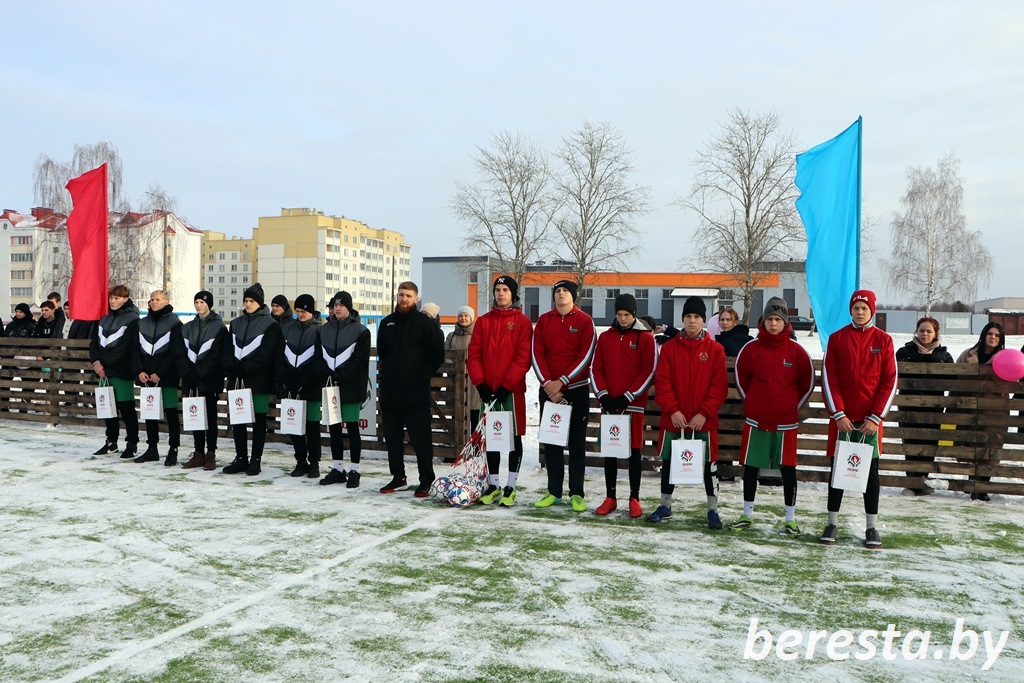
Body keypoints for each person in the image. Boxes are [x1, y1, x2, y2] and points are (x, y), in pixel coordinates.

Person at [728, 298, 814, 534]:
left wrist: (791, 408)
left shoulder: (797, 352)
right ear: (762, 321)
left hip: (786, 423)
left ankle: (790, 518)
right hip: (756, 421)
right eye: (769, 319)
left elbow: (807, 384)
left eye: (778, 319)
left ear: (785, 322)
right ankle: (746, 515)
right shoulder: (751, 349)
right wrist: (754, 405)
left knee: (787, 469)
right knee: (751, 468)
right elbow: (741, 379)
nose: (773, 324)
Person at [820, 290, 897, 549]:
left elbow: (889, 380)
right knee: (838, 472)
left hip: (869, 423)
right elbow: (830, 377)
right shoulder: (837, 339)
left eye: (865, 308)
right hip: (843, 421)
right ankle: (832, 522)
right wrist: (838, 413)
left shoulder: (884, 340)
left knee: (870, 475)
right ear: (850, 311)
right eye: (856, 308)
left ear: (872, 310)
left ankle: (871, 526)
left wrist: (875, 417)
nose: (860, 312)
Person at [649, 296, 729, 528]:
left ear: (703, 320)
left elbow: (719, 386)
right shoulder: (670, 348)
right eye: (688, 316)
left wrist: (704, 413)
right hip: (674, 419)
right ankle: (665, 505)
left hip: (703, 421)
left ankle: (712, 510)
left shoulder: (715, 350)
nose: (692, 321)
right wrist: (672, 410)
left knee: (708, 465)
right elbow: (662, 382)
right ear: (682, 319)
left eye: (696, 317)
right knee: (670, 461)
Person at [467, 276, 533, 507]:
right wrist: (481, 384)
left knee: (514, 438)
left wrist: (507, 385)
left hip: (511, 392)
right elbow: (473, 355)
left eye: (505, 290)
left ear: (512, 295)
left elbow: (523, 357)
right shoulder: (483, 321)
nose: (500, 293)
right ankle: (493, 484)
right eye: (497, 289)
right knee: (492, 438)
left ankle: (511, 486)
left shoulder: (522, 322)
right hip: (488, 391)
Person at [532, 280, 596, 512]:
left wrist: (564, 381)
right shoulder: (544, 321)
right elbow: (536, 352)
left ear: (574, 296)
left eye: (565, 291)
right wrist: (549, 384)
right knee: (551, 442)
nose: (560, 294)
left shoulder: (584, 321)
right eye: (557, 291)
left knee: (576, 443)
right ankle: (553, 492)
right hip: (549, 391)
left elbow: (586, 354)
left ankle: (576, 493)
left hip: (576, 389)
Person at [377, 281, 445, 497]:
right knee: (393, 439)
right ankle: (398, 477)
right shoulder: (387, 323)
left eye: (408, 295)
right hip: (390, 393)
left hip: (415, 393)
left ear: (416, 299)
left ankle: (426, 478)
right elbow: (382, 352)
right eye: (400, 295)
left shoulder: (425, 324)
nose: (403, 299)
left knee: (420, 439)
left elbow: (437, 355)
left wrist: (421, 374)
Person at [591, 293, 656, 518]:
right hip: (610, 405)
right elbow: (596, 368)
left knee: (634, 452)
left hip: (633, 405)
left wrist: (629, 396)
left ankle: (634, 498)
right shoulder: (606, 337)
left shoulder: (645, 338)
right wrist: (604, 395)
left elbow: (648, 370)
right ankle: (610, 497)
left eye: (626, 314)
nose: (622, 318)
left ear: (634, 314)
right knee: (610, 451)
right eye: (619, 314)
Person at [224, 283, 284, 476]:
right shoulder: (236, 323)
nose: (248, 304)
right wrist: (233, 368)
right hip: (238, 380)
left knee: (259, 420)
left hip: (258, 380)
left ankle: (255, 459)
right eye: (246, 301)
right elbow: (228, 350)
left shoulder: (271, 325)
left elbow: (266, 354)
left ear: (259, 302)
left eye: (251, 301)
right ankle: (240, 457)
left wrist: (245, 368)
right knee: (238, 420)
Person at [895, 317, 954, 496]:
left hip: (934, 409)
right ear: (916, 331)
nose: (925, 334)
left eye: (929, 331)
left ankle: (922, 481)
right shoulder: (904, 352)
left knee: (929, 445)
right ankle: (911, 482)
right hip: (908, 408)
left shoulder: (944, 356)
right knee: (910, 443)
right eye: (922, 330)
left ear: (936, 333)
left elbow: (953, 381)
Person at [318, 291, 371, 489]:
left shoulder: (361, 331)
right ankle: (338, 469)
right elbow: (317, 356)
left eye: (342, 305)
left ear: (349, 307)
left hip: (350, 387)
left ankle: (355, 470)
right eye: (335, 305)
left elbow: (360, 360)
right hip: (331, 387)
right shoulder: (323, 330)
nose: (338, 308)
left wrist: (341, 374)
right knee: (333, 429)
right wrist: (325, 372)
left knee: (352, 428)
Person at [131, 290, 185, 466]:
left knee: (171, 413)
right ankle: (152, 449)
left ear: (167, 301)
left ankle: (173, 449)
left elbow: (175, 352)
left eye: (158, 299)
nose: (154, 302)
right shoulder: (141, 323)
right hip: (146, 378)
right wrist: (139, 371)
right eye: (152, 299)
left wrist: (160, 374)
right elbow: (135, 350)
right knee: (150, 414)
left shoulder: (175, 323)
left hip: (166, 377)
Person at [89, 286, 141, 458]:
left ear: (125, 299)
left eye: (117, 298)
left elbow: (125, 347)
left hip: (121, 371)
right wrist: (96, 362)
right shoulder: (104, 318)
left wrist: (106, 366)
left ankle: (131, 443)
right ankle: (111, 442)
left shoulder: (133, 319)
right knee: (107, 408)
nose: (113, 301)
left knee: (126, 409)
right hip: (103, 371)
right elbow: (94, 342)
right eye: (111, 298)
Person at [956, 321, 1005, 501]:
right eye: (990, 333)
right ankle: (971, 484)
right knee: (970, 447)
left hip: (995, 412)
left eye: (997, 335)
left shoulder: (1005, 357)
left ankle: (983, 486)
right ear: (984, 335)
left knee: (990, 450)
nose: (993, 337)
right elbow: (956, 380)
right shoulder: (967, 355)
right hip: (969, 408)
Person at [180, 291, 230, 471]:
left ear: (209, 304)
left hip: (209, 380)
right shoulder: (188, 327)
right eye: (196, 302)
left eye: (202, 302)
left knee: (210, 418)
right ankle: (198, 453)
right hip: (191, 380)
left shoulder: (219, 327)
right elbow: (180, 353)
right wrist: (187, 373)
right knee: (195, 418)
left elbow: (217, 355)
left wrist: (198, 373)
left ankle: (211, 454)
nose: (198, 305)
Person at [277, 294, 324, 479]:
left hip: (310, 386)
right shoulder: (287, 329)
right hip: (290, 385)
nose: (300, 314)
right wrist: (286, 379)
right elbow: (279, 356)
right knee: (294, 425)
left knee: (312, 426)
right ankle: (300, 461)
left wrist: (305, 379)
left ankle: (314, 462)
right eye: (297, 311)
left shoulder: (320, 330)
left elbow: (319, 358)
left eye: (303, 311)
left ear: (311, 311)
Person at [445, 305, 481, 432]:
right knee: (456, 411)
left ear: (471, 318)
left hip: (473, 379)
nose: (463, 318)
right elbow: (446, 353)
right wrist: (454, 367)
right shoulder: (451, 336)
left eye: (466, 316)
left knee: (474, 410)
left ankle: (474, 441)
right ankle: (457, 439)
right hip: (455, 377)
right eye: (461, 316)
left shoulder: (478, 334)